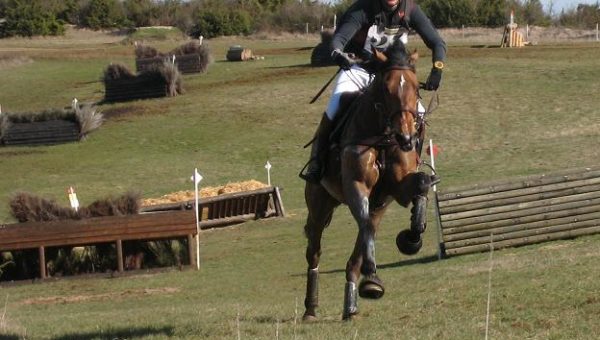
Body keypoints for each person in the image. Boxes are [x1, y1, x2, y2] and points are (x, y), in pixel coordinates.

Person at [300, 0, 447, 183]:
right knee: (333, 107)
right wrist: (338, 54)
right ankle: (317, 162)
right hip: (360, 68)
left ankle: (415, 163)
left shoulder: (410, 10)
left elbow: (437, 42)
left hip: (392, 73)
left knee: (421, 114)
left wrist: (437, 69)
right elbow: (338, 40)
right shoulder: (362, 9)